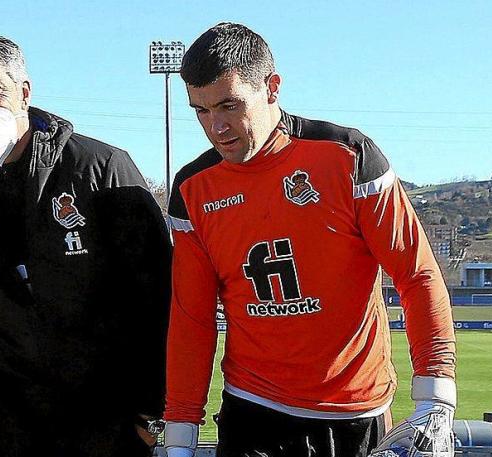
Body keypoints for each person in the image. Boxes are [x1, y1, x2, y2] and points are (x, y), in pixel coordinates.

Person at [163, 23, 457, 457]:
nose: (216, 127)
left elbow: (416, 274)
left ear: (272, 87)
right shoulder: (193, 188)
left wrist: (436, 397)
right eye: (201, 111)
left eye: (229, 105)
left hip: (357, 411)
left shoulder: (348, 156)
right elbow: (192, 319)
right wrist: (181, 431)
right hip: (253, 410)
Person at [0, 33, 170, 456]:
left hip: (108, 419)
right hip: (12, 422)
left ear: (24, 91)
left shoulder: (100, 167)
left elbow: (159, 296)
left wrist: (149, 411)